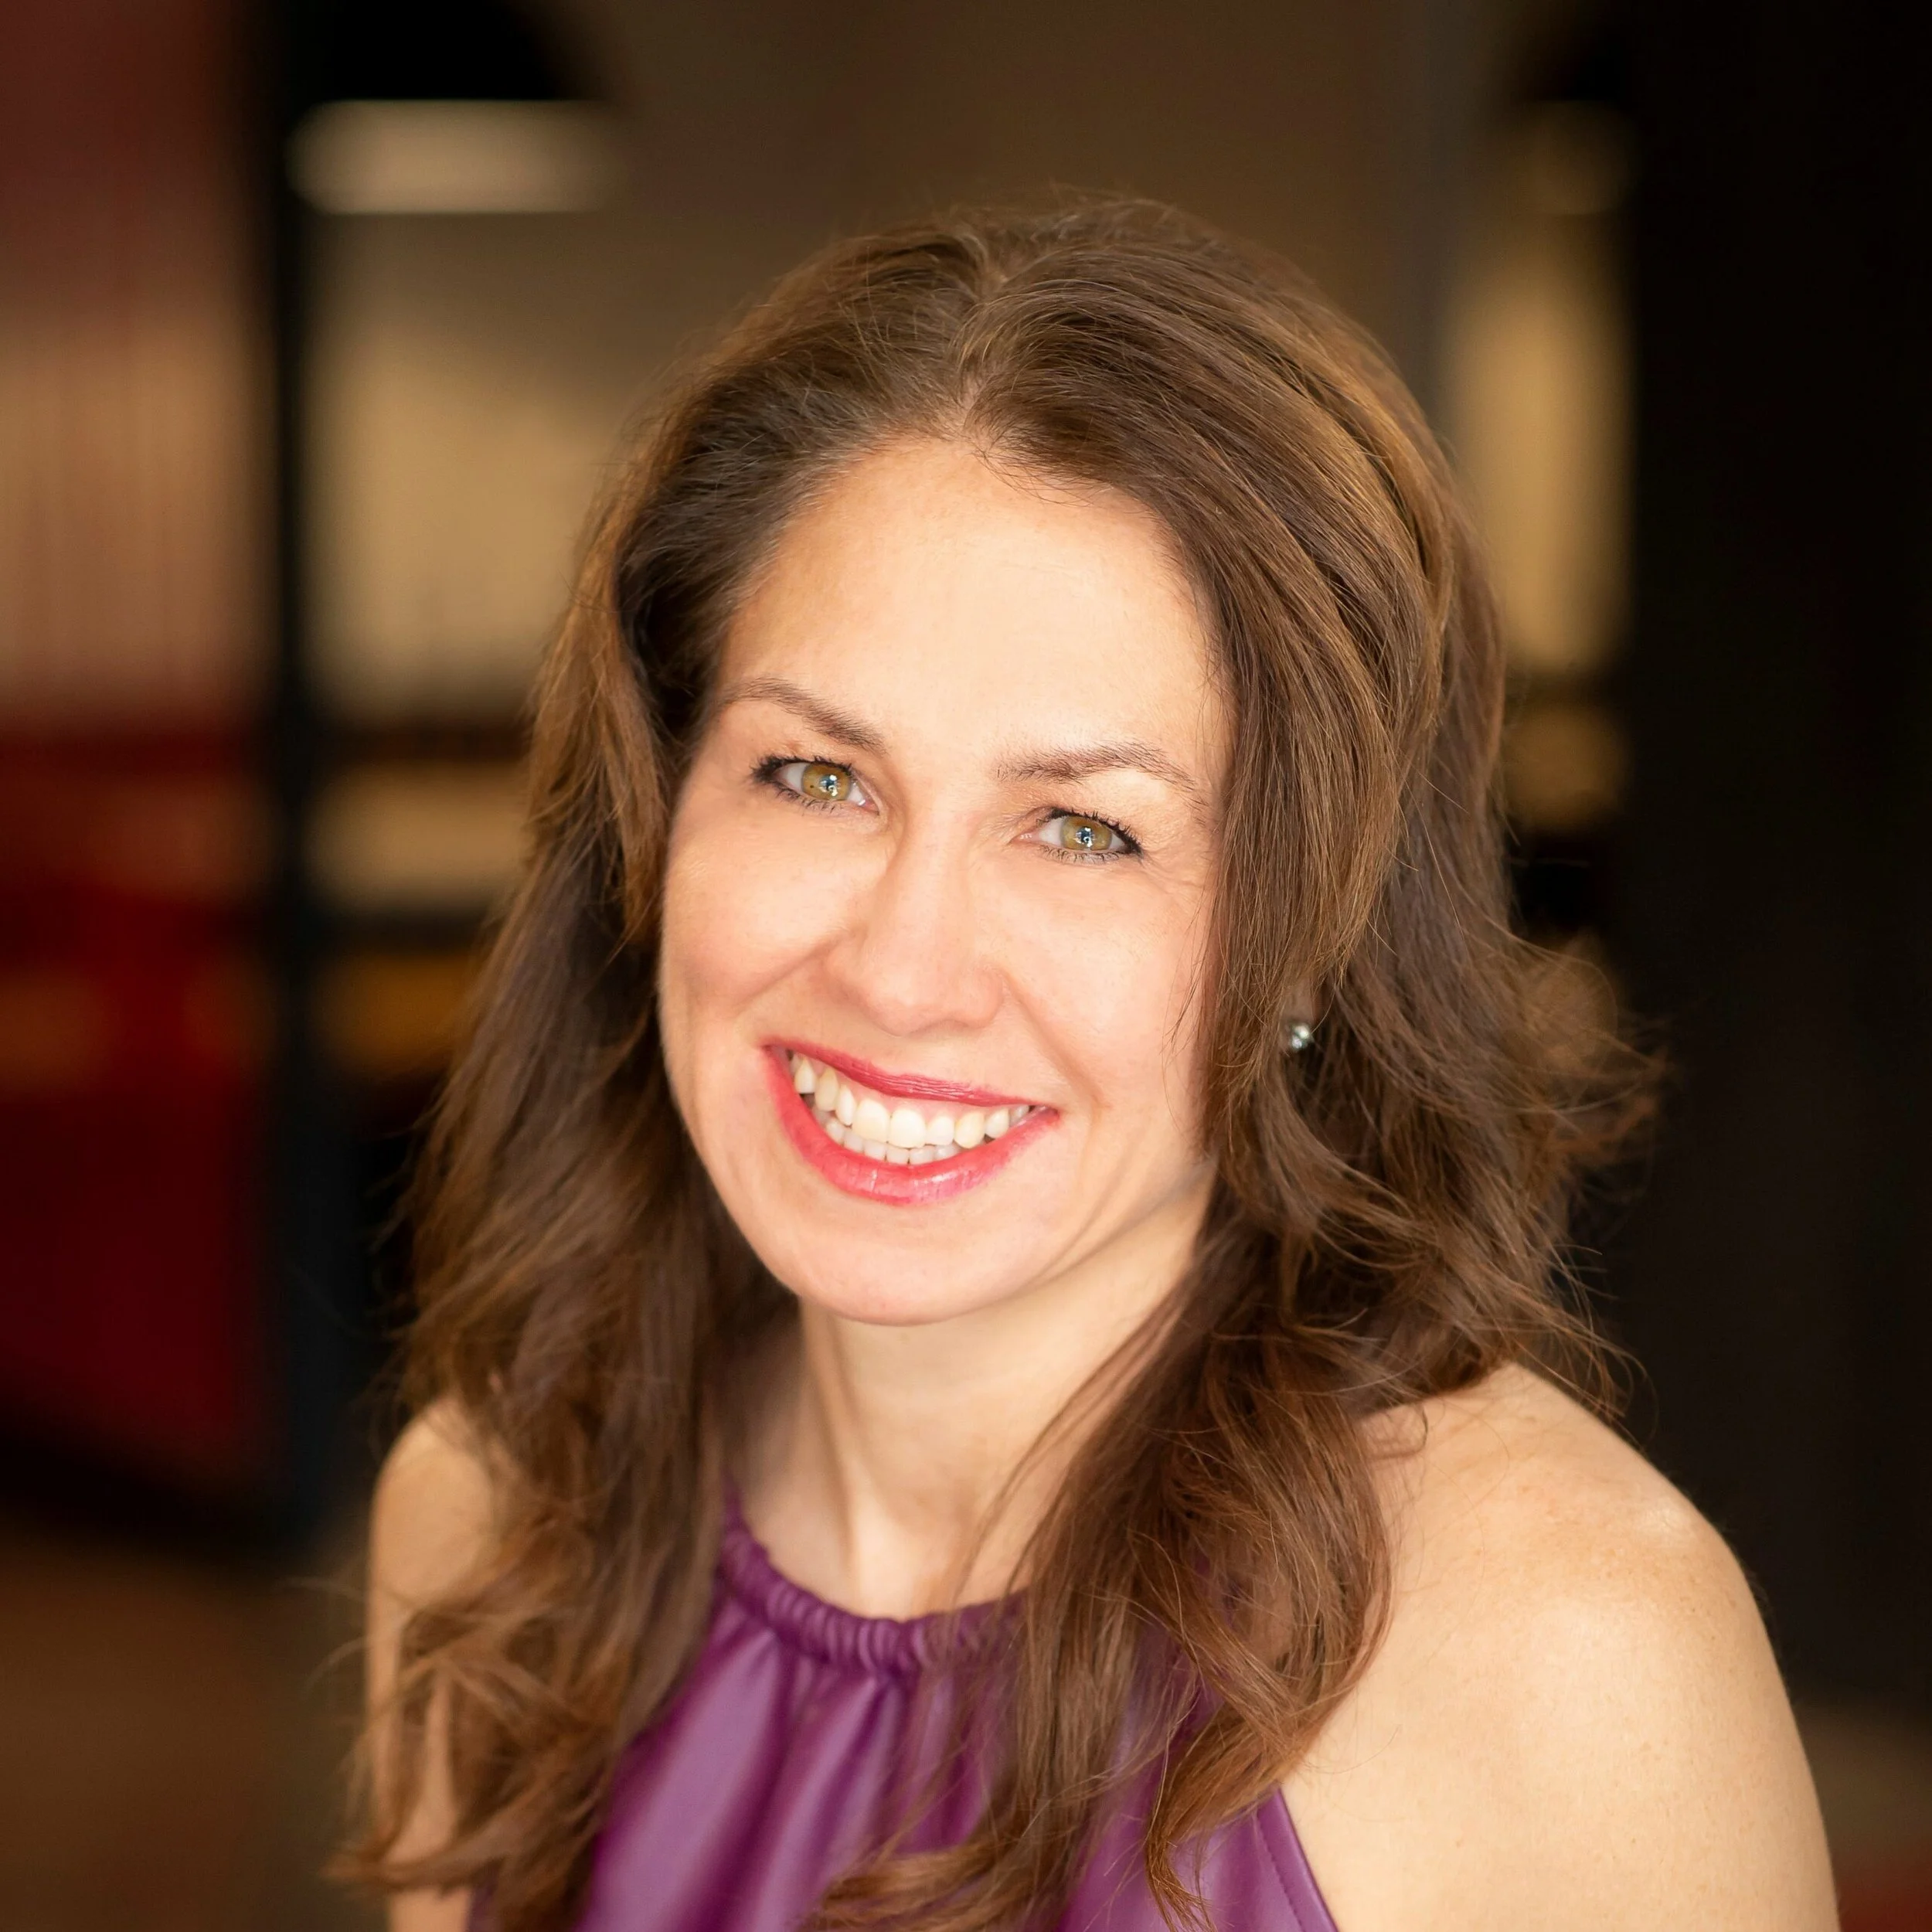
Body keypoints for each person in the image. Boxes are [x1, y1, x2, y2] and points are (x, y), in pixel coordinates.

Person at [347, 200, 1836, 1932]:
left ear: (1307, 943)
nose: (901, 971)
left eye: (1081, 827)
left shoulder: (1565, 1652)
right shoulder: (487, 1524)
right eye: (815, 776)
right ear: (654, 811)